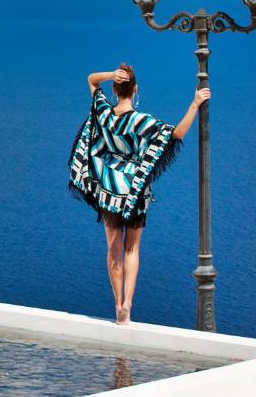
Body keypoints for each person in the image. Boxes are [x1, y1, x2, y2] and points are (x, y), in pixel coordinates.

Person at [68, 64, 210, 324]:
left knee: (113, 249)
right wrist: (195, 103)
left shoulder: (104, 112)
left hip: (109, 190)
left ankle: (116, 304)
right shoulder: (141, 121)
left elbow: (90, 80)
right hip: (134, 192)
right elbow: (176, 134)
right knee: (132, 249)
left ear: (114, 89)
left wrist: (111, 74)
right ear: (135, 90)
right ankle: (128, 307)